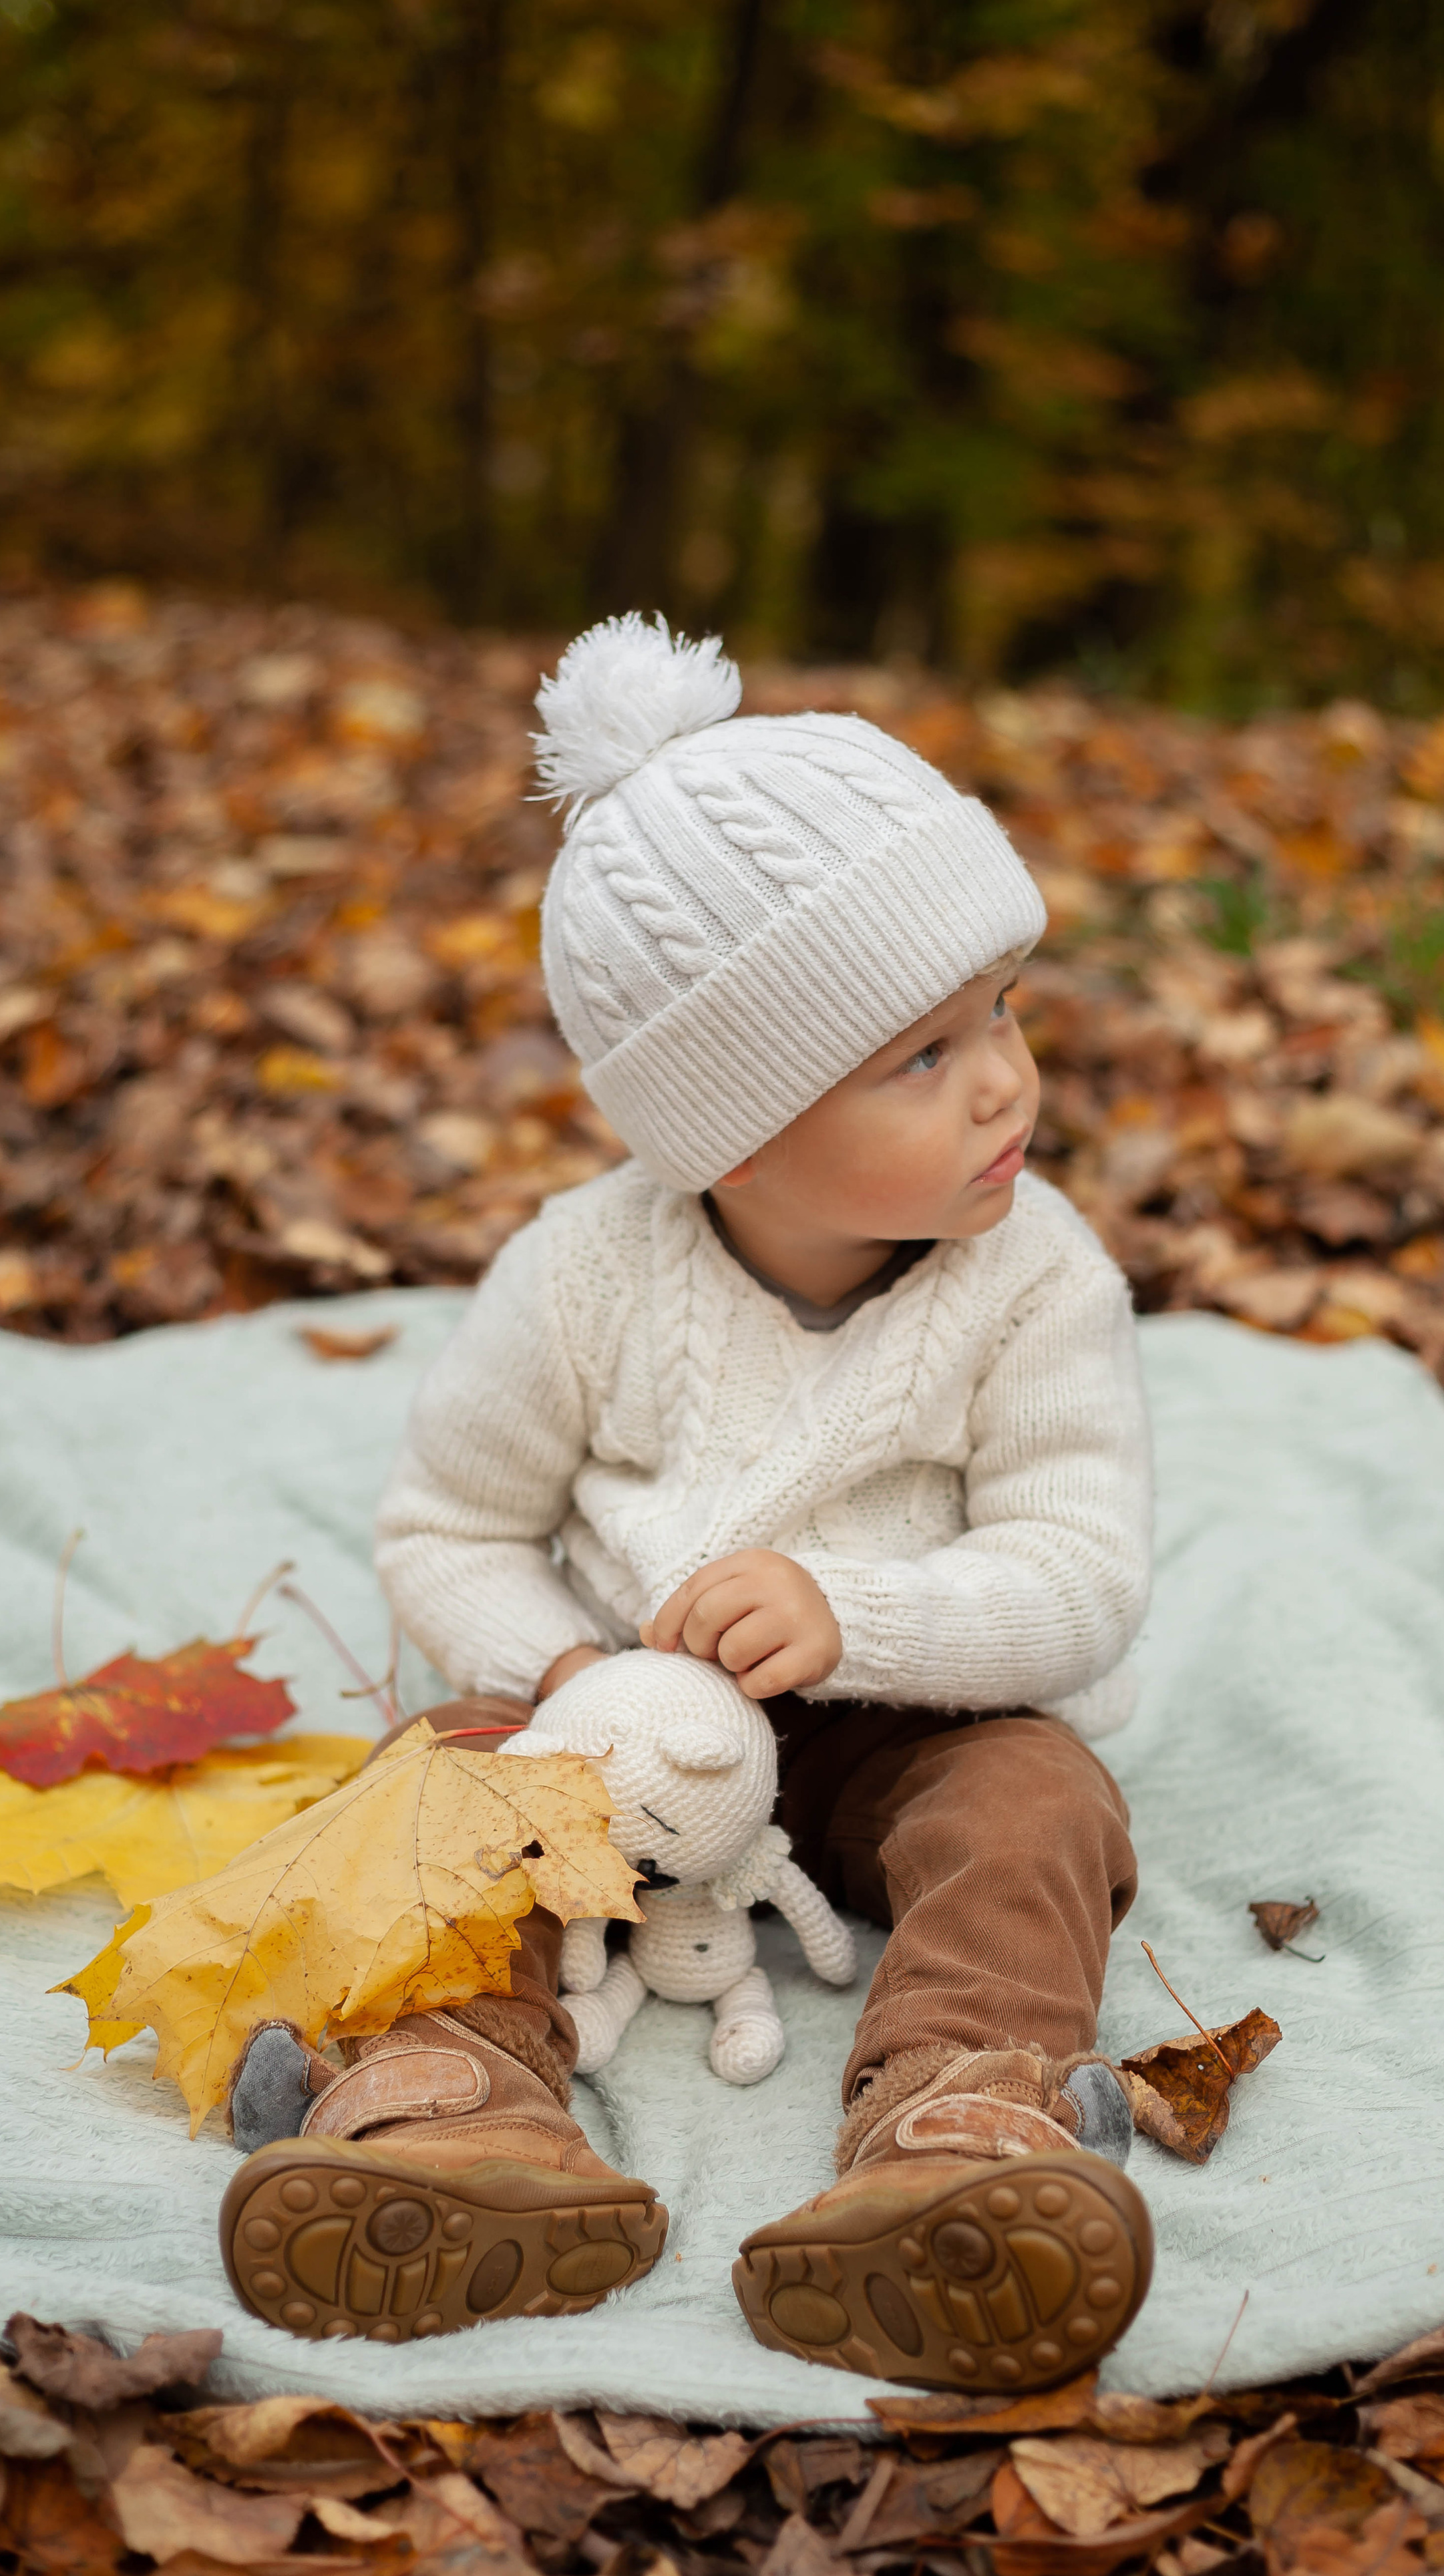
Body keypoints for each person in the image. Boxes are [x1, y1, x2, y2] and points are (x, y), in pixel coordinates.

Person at [218, 615, 1154, 2390]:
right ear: (732, 1132)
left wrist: (857, 1614)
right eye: (922, 1054)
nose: (1007, 1076)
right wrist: (567, 1674)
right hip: (619, 1733)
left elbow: (1085, 1570)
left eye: (1005, 1009)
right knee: (429, 1785)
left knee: (1043, 1805)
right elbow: (446, 1526)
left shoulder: (1037, 1280)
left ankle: (959, 2126)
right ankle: (452, 2105)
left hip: (904, 1726)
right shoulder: (583, 1277)